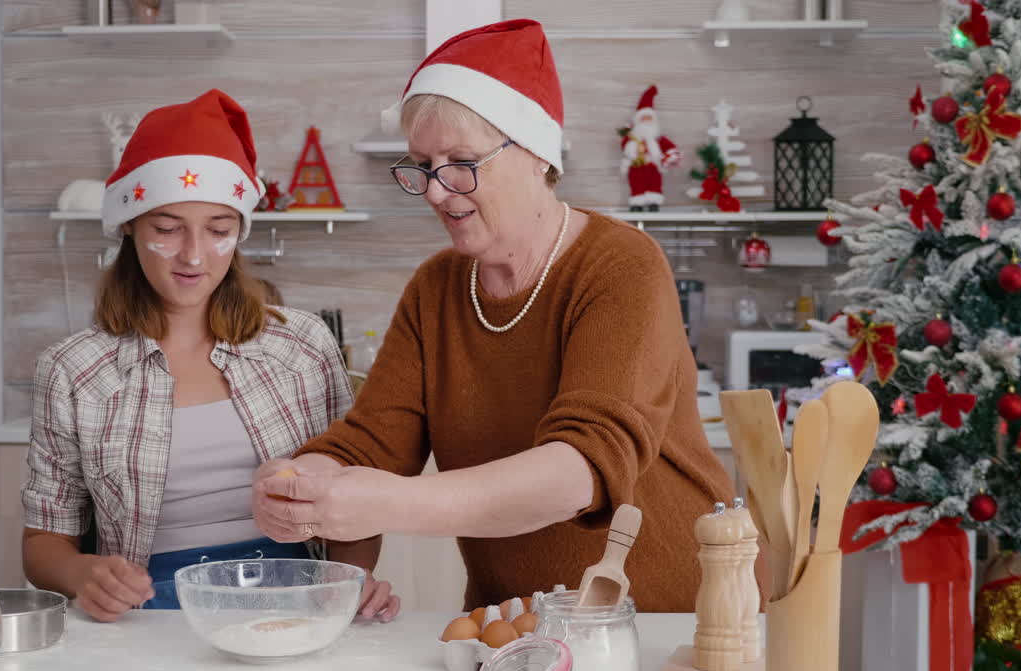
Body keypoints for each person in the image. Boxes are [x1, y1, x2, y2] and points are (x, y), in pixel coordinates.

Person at [252, 20, 733, 613]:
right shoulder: (437, 287)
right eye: (423, 165)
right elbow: (373, 445)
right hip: (510, 618)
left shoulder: (621, 265)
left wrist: (385, 502)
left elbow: (579, 471)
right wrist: (301, 480)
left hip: (667, 617)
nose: (434, 190)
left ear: (535, 153)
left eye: (460, 162)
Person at [21, 89, 399, 622]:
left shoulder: (303, 346)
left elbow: (351, 500)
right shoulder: (74, 372)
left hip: (295, 603)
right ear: (129, 225)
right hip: (149, 614)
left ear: (240, 231)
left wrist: (351, 582)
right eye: (167, 228)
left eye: (218, 230)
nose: (194, 255)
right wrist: (82, 574)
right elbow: (43, 542)